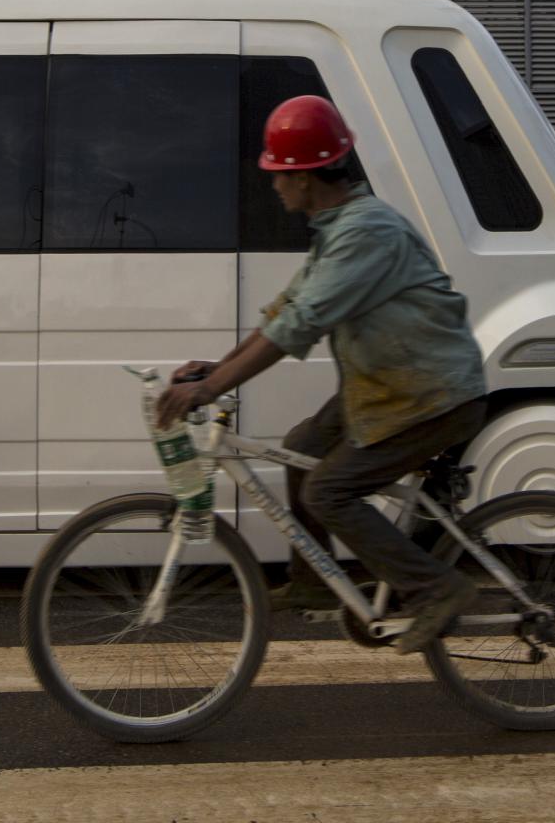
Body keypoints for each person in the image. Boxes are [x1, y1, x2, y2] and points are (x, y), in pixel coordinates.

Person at [154, 95, 489, 654]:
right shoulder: (337, 229)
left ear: (306, 177)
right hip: (388, 388)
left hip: (431, 395)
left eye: (277, 173)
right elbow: (283, 314)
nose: (272, 184)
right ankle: (313, 584)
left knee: (329, 491)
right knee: (301, 445)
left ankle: (436, 589)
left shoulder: (368, 231)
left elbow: (300, 325)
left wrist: (212, 389)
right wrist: (216, 368)